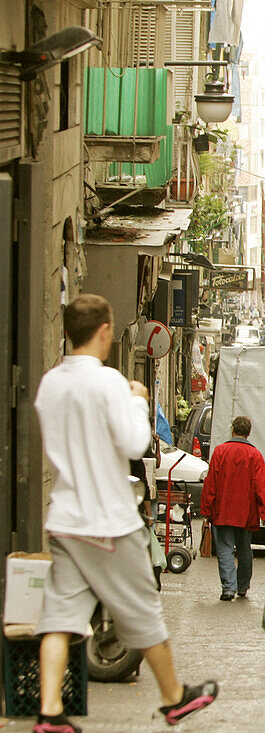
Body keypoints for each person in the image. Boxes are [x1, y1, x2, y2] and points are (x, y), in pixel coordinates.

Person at [32, 294, 217, 733]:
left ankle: (49, 711)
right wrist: (138, 398)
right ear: (103, 331)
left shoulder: (50, 384)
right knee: (143, 611)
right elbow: (136, 443)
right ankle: (174, 698)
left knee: (60, 617)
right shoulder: (108, 383)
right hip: (108, 520)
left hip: (65, 519)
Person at [200, 415, 265, 601]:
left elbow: (211, 483)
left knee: (224, 549)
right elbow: (261, 484)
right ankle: (242, 586)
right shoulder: (255, 455)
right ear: (248, 433)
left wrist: (206, 509)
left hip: (223, 510)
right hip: (246, 512)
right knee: (244, 549)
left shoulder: (220, 451)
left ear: (233, 430)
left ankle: (228, 588)